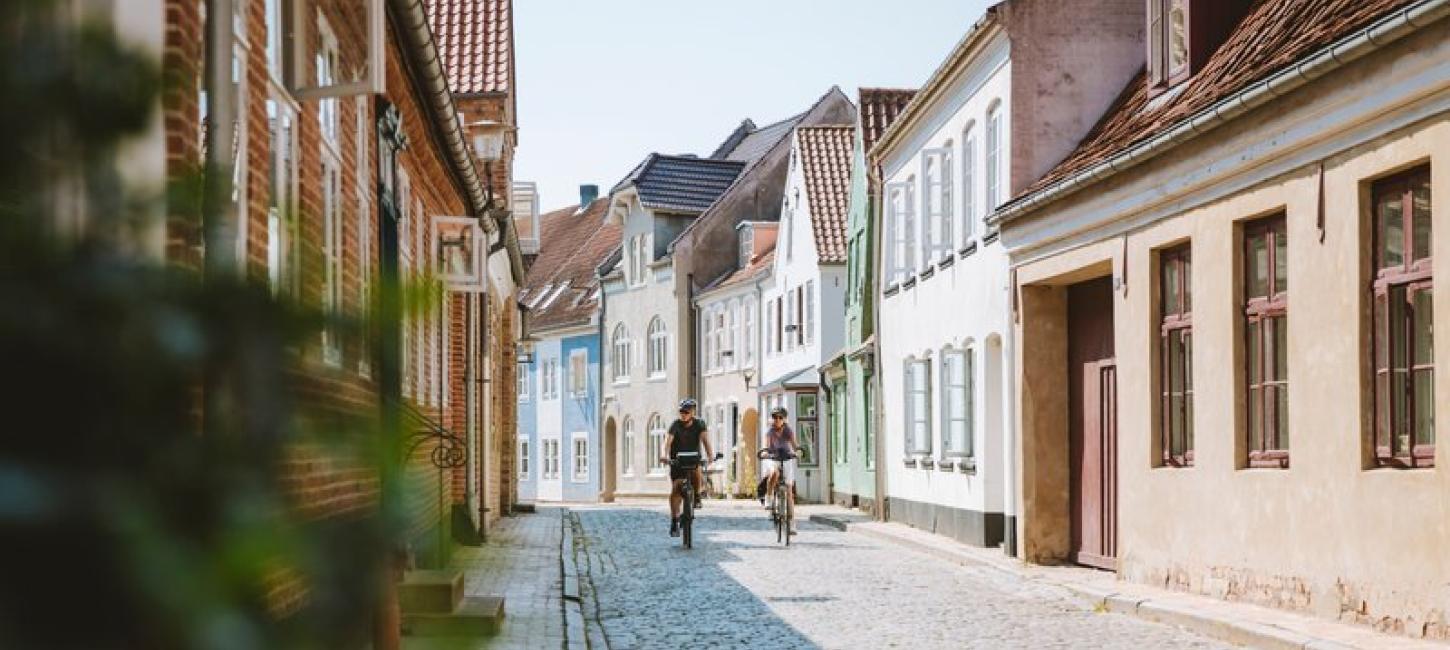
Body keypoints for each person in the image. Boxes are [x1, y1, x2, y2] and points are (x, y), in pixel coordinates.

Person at [660, 398, 714, 537]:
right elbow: (667, 442)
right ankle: (674, 520)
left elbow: (705, 441)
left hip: (692, 458)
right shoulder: (675, 425)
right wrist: (664, 455)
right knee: (676, 489)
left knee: (697, 471)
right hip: (677, 460)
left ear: (692, 412)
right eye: (681, 411)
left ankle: (696, 497)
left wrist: (710, 456)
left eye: (686, 411)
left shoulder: (699, 424)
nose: (683, 414)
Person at [761, 406, 800, 534]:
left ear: (784, 419)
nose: (777, 419)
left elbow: (794, 444)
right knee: (774, 473)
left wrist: (797, 451)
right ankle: (769, 496)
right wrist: (765, 453)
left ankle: (792, 523)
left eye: (780, 417)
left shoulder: (788, 430)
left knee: (789, 492)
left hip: (786, 458)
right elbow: (767, 446)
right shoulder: (770, 432)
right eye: (774, 417)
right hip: (773, 458)